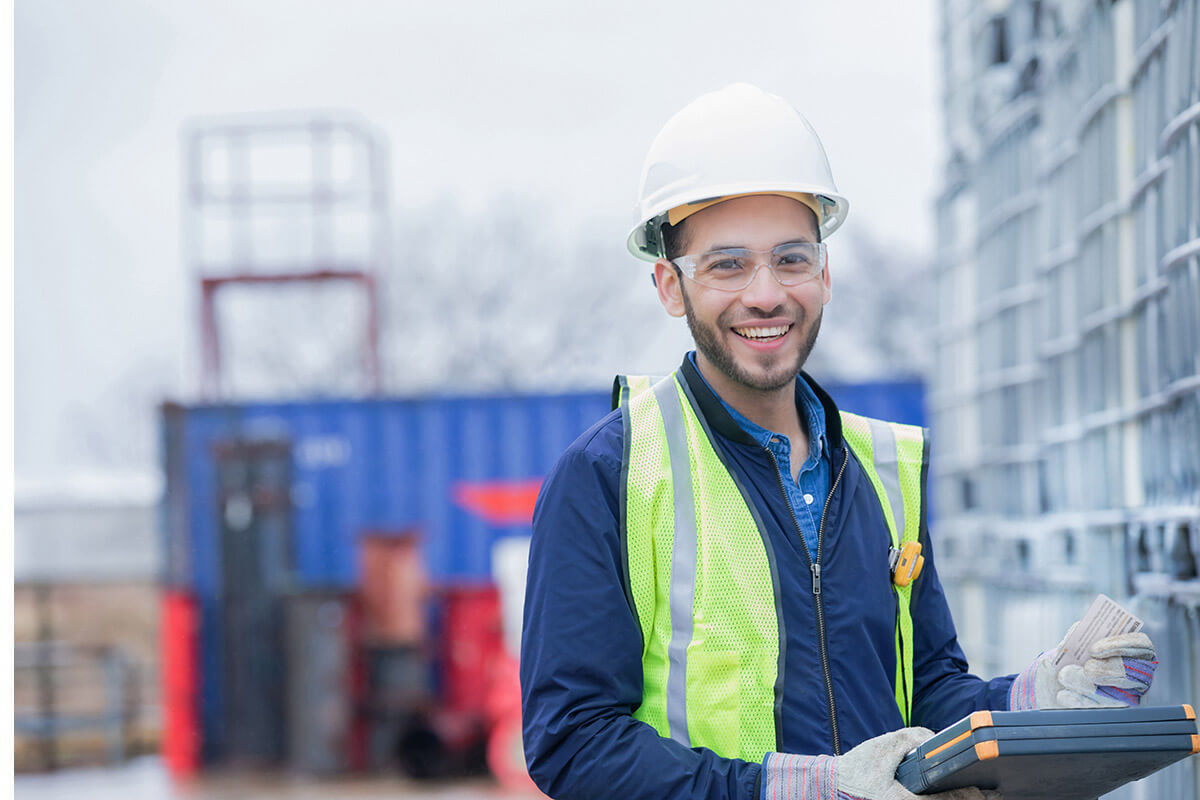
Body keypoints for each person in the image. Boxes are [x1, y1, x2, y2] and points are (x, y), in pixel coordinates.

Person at [519, 83, 1157, 800]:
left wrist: (1033, 706)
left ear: (824, 272)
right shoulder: (612, 475)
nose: (766, 293)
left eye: (790, 259)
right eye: (727, 264)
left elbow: (921, 702)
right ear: (670, 286)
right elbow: (574, 743)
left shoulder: (886, 471)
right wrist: (793, 787)